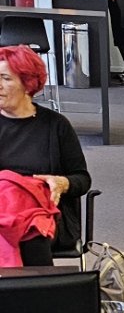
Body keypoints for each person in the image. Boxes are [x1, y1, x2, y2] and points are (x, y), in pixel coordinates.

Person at [0, 45, 91, 264]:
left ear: (27, 83)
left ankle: (34, 287)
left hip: (46, 212)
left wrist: (61, 183)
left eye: (6, 78)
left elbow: (82, 179)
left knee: (32, 231)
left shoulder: (56, 125)